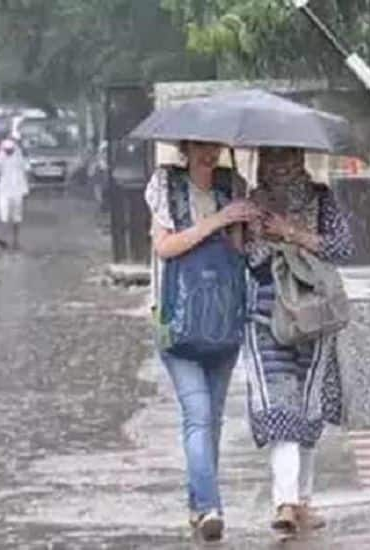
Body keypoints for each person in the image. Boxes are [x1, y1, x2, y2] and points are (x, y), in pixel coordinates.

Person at [144, 141, 257, 542]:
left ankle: (199, 505)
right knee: (198, 414)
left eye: (214, 147)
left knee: (212, 420)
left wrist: (242, 223)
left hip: (222, 319)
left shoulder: (234, 186)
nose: (208, 154)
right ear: (186, 149)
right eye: (200, 147)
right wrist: (216, 220)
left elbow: (239, 254)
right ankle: (211, 507)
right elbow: (165, 247)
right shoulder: (165, 185)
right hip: (176, 320)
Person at [243, 147, 353, 534]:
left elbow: (342, 248)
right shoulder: (252, 202)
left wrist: (292, 233)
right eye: (271, 159)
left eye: (285, 158)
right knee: (280, 404)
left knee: (308, 408)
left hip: (313, 316)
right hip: (265, 317)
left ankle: (301, 501)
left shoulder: (322, 199)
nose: (278, 166)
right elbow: (249, 259)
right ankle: (285, 501)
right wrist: (260, 234)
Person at [0, 138, 29, 250]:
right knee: (4, 215)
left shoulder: (19, 157)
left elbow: (26, 169)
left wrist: (25, 189)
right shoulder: (0, 157)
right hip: (5, 191)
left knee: (16, 217)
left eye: (10, 150)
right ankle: (2, 237)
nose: (8, 152)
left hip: (17, 190)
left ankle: (15, 240)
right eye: (6, 150)